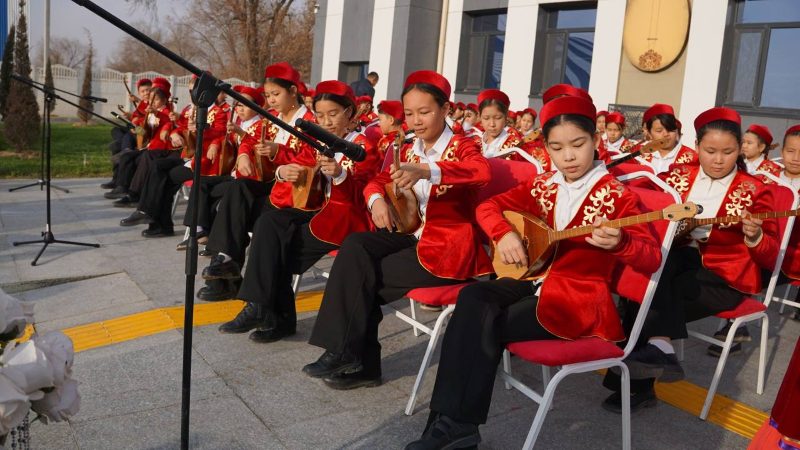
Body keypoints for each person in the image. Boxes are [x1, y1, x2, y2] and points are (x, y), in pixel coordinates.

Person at [405, 95, 662, 450]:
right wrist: (504, 232)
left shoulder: (617, 197)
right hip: (531, 280)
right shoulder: (544, 185)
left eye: (577, 144)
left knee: (477, 322)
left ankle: (451, 424)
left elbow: (650, 259)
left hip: (577, 302)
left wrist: (621, 244)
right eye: (557, 148)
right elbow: (488, 206)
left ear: (596, 142)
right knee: (473, 296)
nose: (568, 156)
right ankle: (453, 424)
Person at [302, 70, 493, 390]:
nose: (416, 120)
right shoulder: (407, 145)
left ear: (446, 110)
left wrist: (427, 169)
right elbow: (377, 180)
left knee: (364, 278)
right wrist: (376, 200)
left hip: (448, 246)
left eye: (425, 112)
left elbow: (480, 172)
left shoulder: (463, 145)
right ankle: (351, 357)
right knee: (356, 246)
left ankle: (355, 359)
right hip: (409, 231)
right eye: (409, 113)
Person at [602, 107, 780, 413]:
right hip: (679, 265)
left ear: (740, 150)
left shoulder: (756, 191)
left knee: (644, 300)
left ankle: (639, 375)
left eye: (728, 151)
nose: (719, 159)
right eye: (710, 150)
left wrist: (754, 237)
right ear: (697, 146)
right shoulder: (678, 176)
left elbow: (770, 254)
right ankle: (658, 350)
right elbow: (644, 199)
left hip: (724, 277)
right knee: (656, 276)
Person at [217, 80, 380, 342]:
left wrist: (340, 175)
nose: (326, 121)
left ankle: (273, 317)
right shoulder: (316, 140)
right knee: (268, 223)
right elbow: (296, 161)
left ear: (350, 112)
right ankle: (260, 307)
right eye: (320, 115)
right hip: (314, 207)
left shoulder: (363, 147)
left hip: (344, 216)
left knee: (277, 248)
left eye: (334, 114)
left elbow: (363, 195)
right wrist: (282, 171)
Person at [197, 62, 318, 301]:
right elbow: (249, 140)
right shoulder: (271, 118)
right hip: (272, 182)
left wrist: (277, 150)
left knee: (236, 211)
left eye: (276, 94)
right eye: (267, 95)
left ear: (293, 92)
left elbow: (308, 160)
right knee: (239, 188)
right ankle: (226, 265)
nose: (271, 100)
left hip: (295, 191)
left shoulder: (309, 121)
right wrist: (243, 155)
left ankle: (226, 276)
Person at [120, 75, 230, 237]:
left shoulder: (217, 112)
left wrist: (201, 129)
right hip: (188, 155)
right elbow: (181, 127)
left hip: (204, 161)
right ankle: (153, 218)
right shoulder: (189, 109)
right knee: (159, 171)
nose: (192, 95)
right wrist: (175, 134)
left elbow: (220, 133)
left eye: (195, 91)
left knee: (160, 171)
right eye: (191, 91)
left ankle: (155, 219)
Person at [104, 78, 153, 190]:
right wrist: (130, 117)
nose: (146, 93)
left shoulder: (153, 102)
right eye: (143, 91)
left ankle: (124, 149)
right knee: (115, 130)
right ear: (139, 93)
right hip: (135, 130)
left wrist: (137, 100)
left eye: (148, 90)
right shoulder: (141, 104)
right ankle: (122, 147)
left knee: (126, 138)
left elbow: (149, 115)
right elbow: (137, 117)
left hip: (144, 133)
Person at [635, 104, 698, 173]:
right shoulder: (638, 154)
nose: (666, 134)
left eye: (670, 129)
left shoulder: (693, 159)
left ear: (677, 131)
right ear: (649, 134)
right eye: (659, 131)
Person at [475, 89, 521, 159]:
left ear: (506, 117)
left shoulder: (516, 146)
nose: (492, 124)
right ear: (480, 117)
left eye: (498, 118)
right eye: (486, 118)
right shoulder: (475, 144)